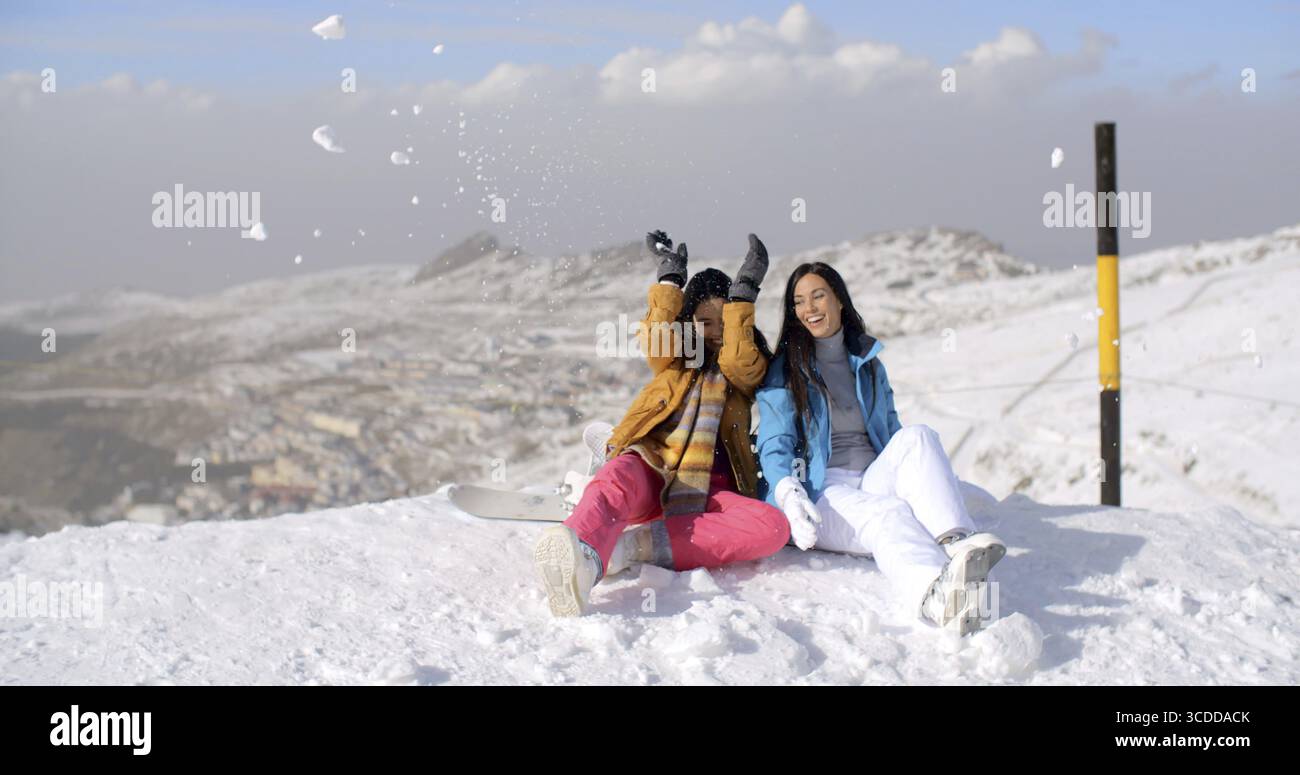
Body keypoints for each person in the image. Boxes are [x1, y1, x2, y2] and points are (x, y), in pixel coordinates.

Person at [533, 231, 791, 617]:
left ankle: (628, 547)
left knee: (771, 527)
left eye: (725, 322)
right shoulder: (673, 361)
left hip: (709, 490)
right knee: (619, 473)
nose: (716, 331)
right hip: (653, 468)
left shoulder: (743, 374)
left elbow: (739, 360)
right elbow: (656, 338)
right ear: (689, 325)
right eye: (705, 322)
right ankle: (583, 556)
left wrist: (745, 294)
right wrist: (669, 281)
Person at [756, 262, 1006, 636]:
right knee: (888, 515)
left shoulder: (869, 364)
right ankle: (934, 596)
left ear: (839, 299)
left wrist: (929, 486)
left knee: (919, 436)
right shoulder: (786, 369)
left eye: (818, 295)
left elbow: (893, 437)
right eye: (799, 301)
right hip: (821, 493)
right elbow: (774, 442)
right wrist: (786, 490)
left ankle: (957, 544)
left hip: (870, 477)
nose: (809, 308)